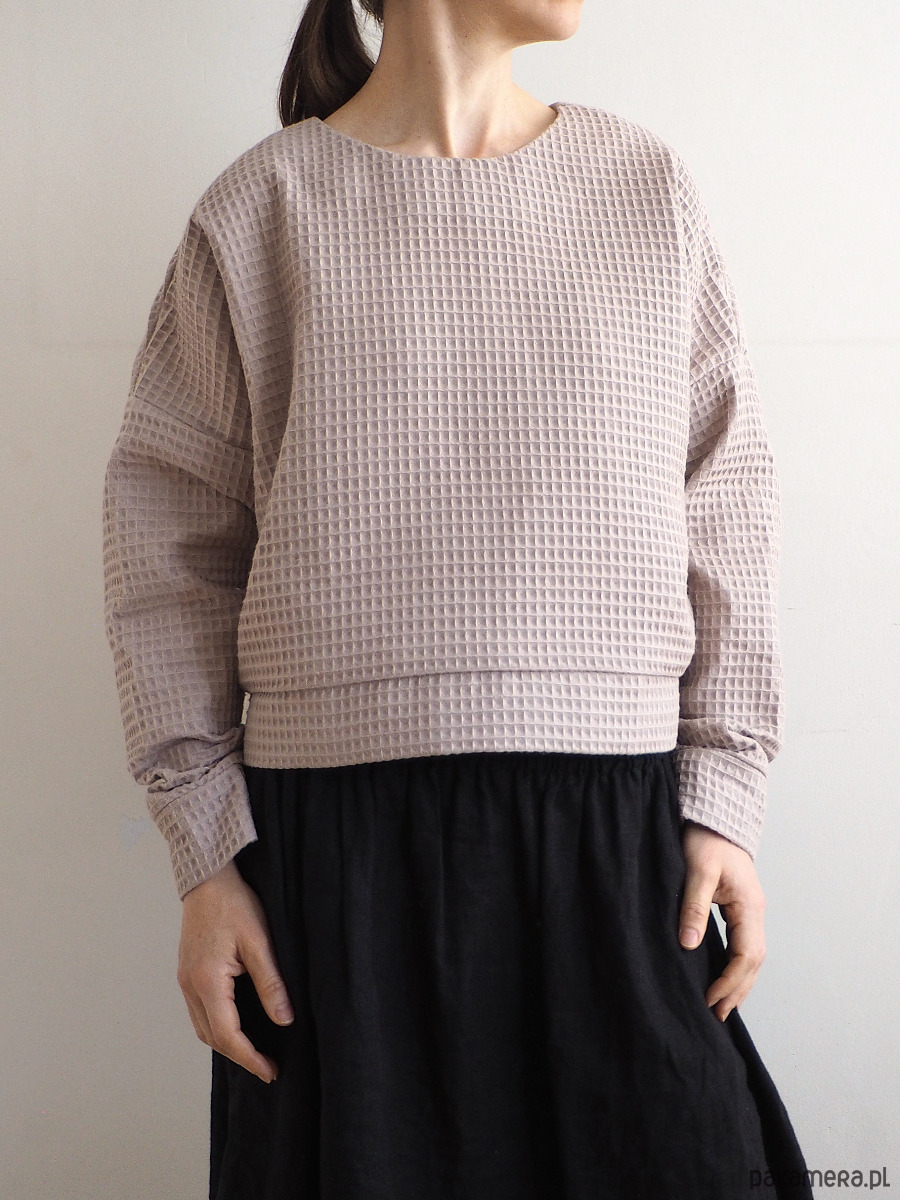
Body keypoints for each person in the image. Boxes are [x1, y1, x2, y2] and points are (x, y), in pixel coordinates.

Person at [101, 1, 814, 1197]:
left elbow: (729, 499)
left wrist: (726, 797)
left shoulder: (646, 190)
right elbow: (166, 543)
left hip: (620, 838)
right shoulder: (262, 208)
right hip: (336, 864)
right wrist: (205, 860)